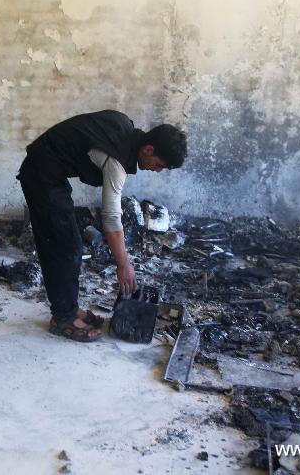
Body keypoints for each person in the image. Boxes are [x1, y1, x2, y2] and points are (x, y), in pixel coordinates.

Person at [17, 110, 187, 342]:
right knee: (65, 248)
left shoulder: (124, 126)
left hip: (51, 173)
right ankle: (63, 318)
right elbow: (111, 219)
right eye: (159, 165)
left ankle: (70, 308)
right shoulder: (116, 161)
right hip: (40, 174)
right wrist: (123, 265)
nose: (157, 170)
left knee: (68, 245)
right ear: (148, 149)